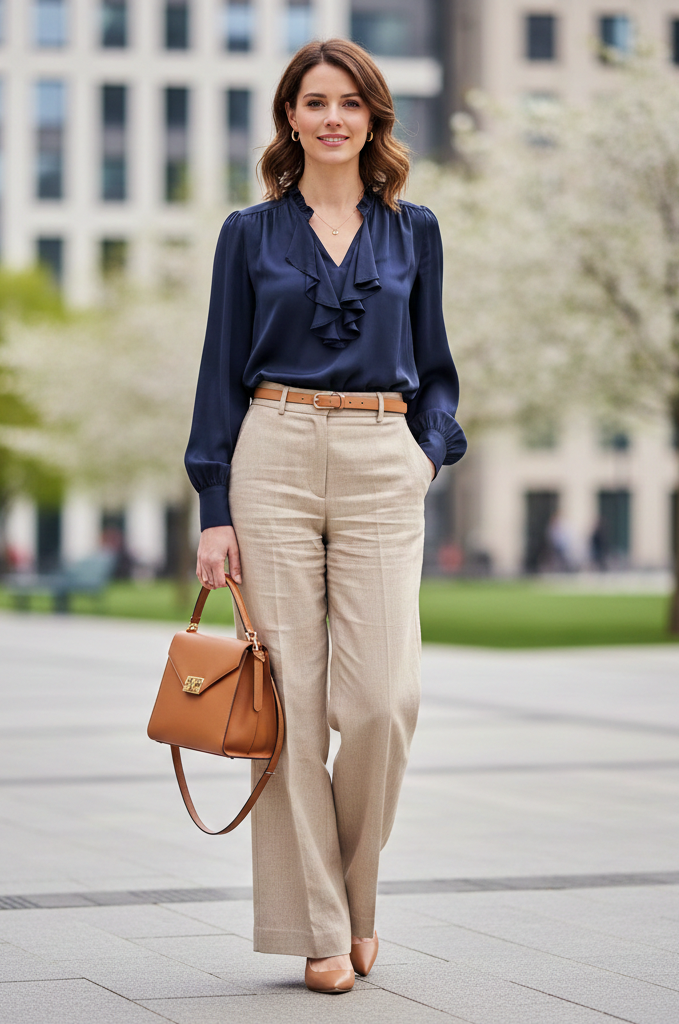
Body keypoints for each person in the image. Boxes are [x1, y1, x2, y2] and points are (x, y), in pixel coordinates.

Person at [185, 38, 466, 994]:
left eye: (351, 101)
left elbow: (435, 365)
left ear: (374, 118)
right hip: (272, 450)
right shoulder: (250, 234)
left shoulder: (414, 231)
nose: (333, 116)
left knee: (384, 702)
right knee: (292, 706)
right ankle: (321, 930)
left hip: (384, 454)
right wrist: (214, 504)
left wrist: (426, 453)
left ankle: (355, 903)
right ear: (291, 118)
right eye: (315, 101)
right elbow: (219, 371)